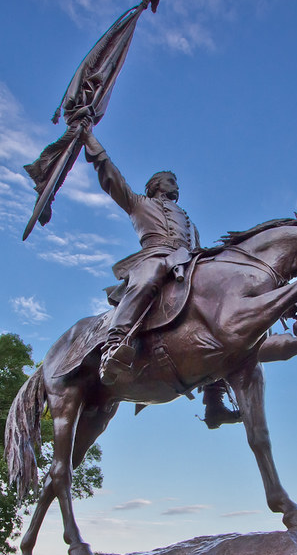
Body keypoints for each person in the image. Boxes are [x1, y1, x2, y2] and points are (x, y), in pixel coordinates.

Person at [82, 125, 240, 427]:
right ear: (155, 185)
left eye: (176, 183)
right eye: (170, 181)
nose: (176, 186)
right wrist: (90, 141)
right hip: (155, 256)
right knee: (147, 280)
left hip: (188, 261)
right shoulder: (139, 203)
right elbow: (111, 177)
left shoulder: (189, 222)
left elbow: (196, 247)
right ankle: (114, 344)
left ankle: (214, 401)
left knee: (219, 309)